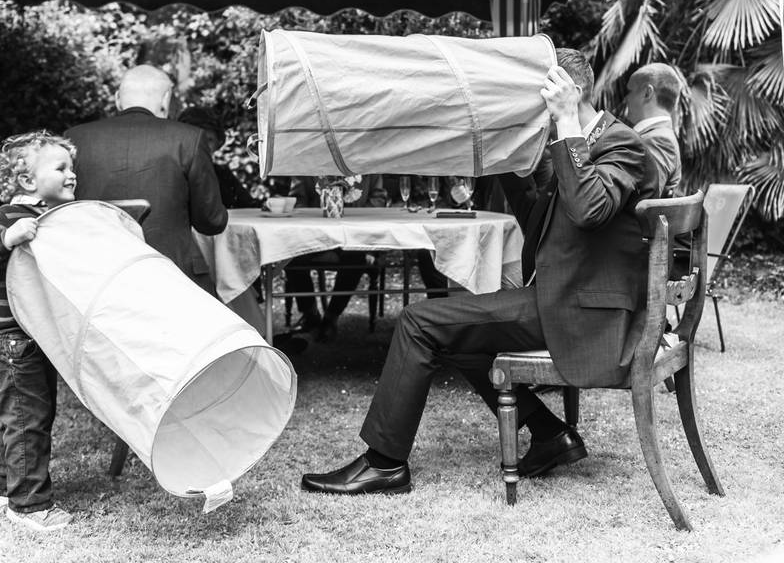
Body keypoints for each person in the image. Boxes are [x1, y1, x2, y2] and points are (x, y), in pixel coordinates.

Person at [300, 48, 660, 495]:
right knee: (456, 332)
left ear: (573, 92)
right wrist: (504, 160)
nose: (533, 113)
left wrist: (565, 123)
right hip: (564, 300)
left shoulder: (620, 143)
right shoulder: (578, 146)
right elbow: (541, 226)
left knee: (418, 321)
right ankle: (551, 436)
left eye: (542, 100)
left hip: (587, 317)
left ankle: (384, 464)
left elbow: (588, 210)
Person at [0, 130, 78, 531]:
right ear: (28, 182)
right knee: (26, 420)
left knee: (28, 417)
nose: (71, 174)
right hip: (8, 340)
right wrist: (7, 239)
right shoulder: (8, 217)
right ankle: (29, 505)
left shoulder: (55, 219)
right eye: (60, 168)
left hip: (35, 337)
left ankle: (6, 487)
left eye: (72, 167)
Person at [65, 65, 228, 294]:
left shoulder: (74, 138)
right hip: (171, 276)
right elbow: (211, 222)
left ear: (117, 99)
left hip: (94, 276)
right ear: (166, 98)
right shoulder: (189, 138)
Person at [284, 175, 387, 342]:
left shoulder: (367, 163)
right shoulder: (308, 160)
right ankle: (310, 314)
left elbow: (379, 199)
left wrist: (353, 218)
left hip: (354, 235)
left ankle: (331, 316)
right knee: (289, 256)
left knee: (356, 257)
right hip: (314, 235)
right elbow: (298, 200)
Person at [177, 105, 259, 209]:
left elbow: (249, 205)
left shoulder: (222, 174)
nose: (203, 145)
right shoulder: (172, 176)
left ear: (217, 143)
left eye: (209, 140)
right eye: (195, 140)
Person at [623, 63, 683, 198]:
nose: (626, 98)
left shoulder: (658, 140)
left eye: (629, 91)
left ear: (647, 93)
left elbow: (643, 202)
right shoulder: (658, 135)